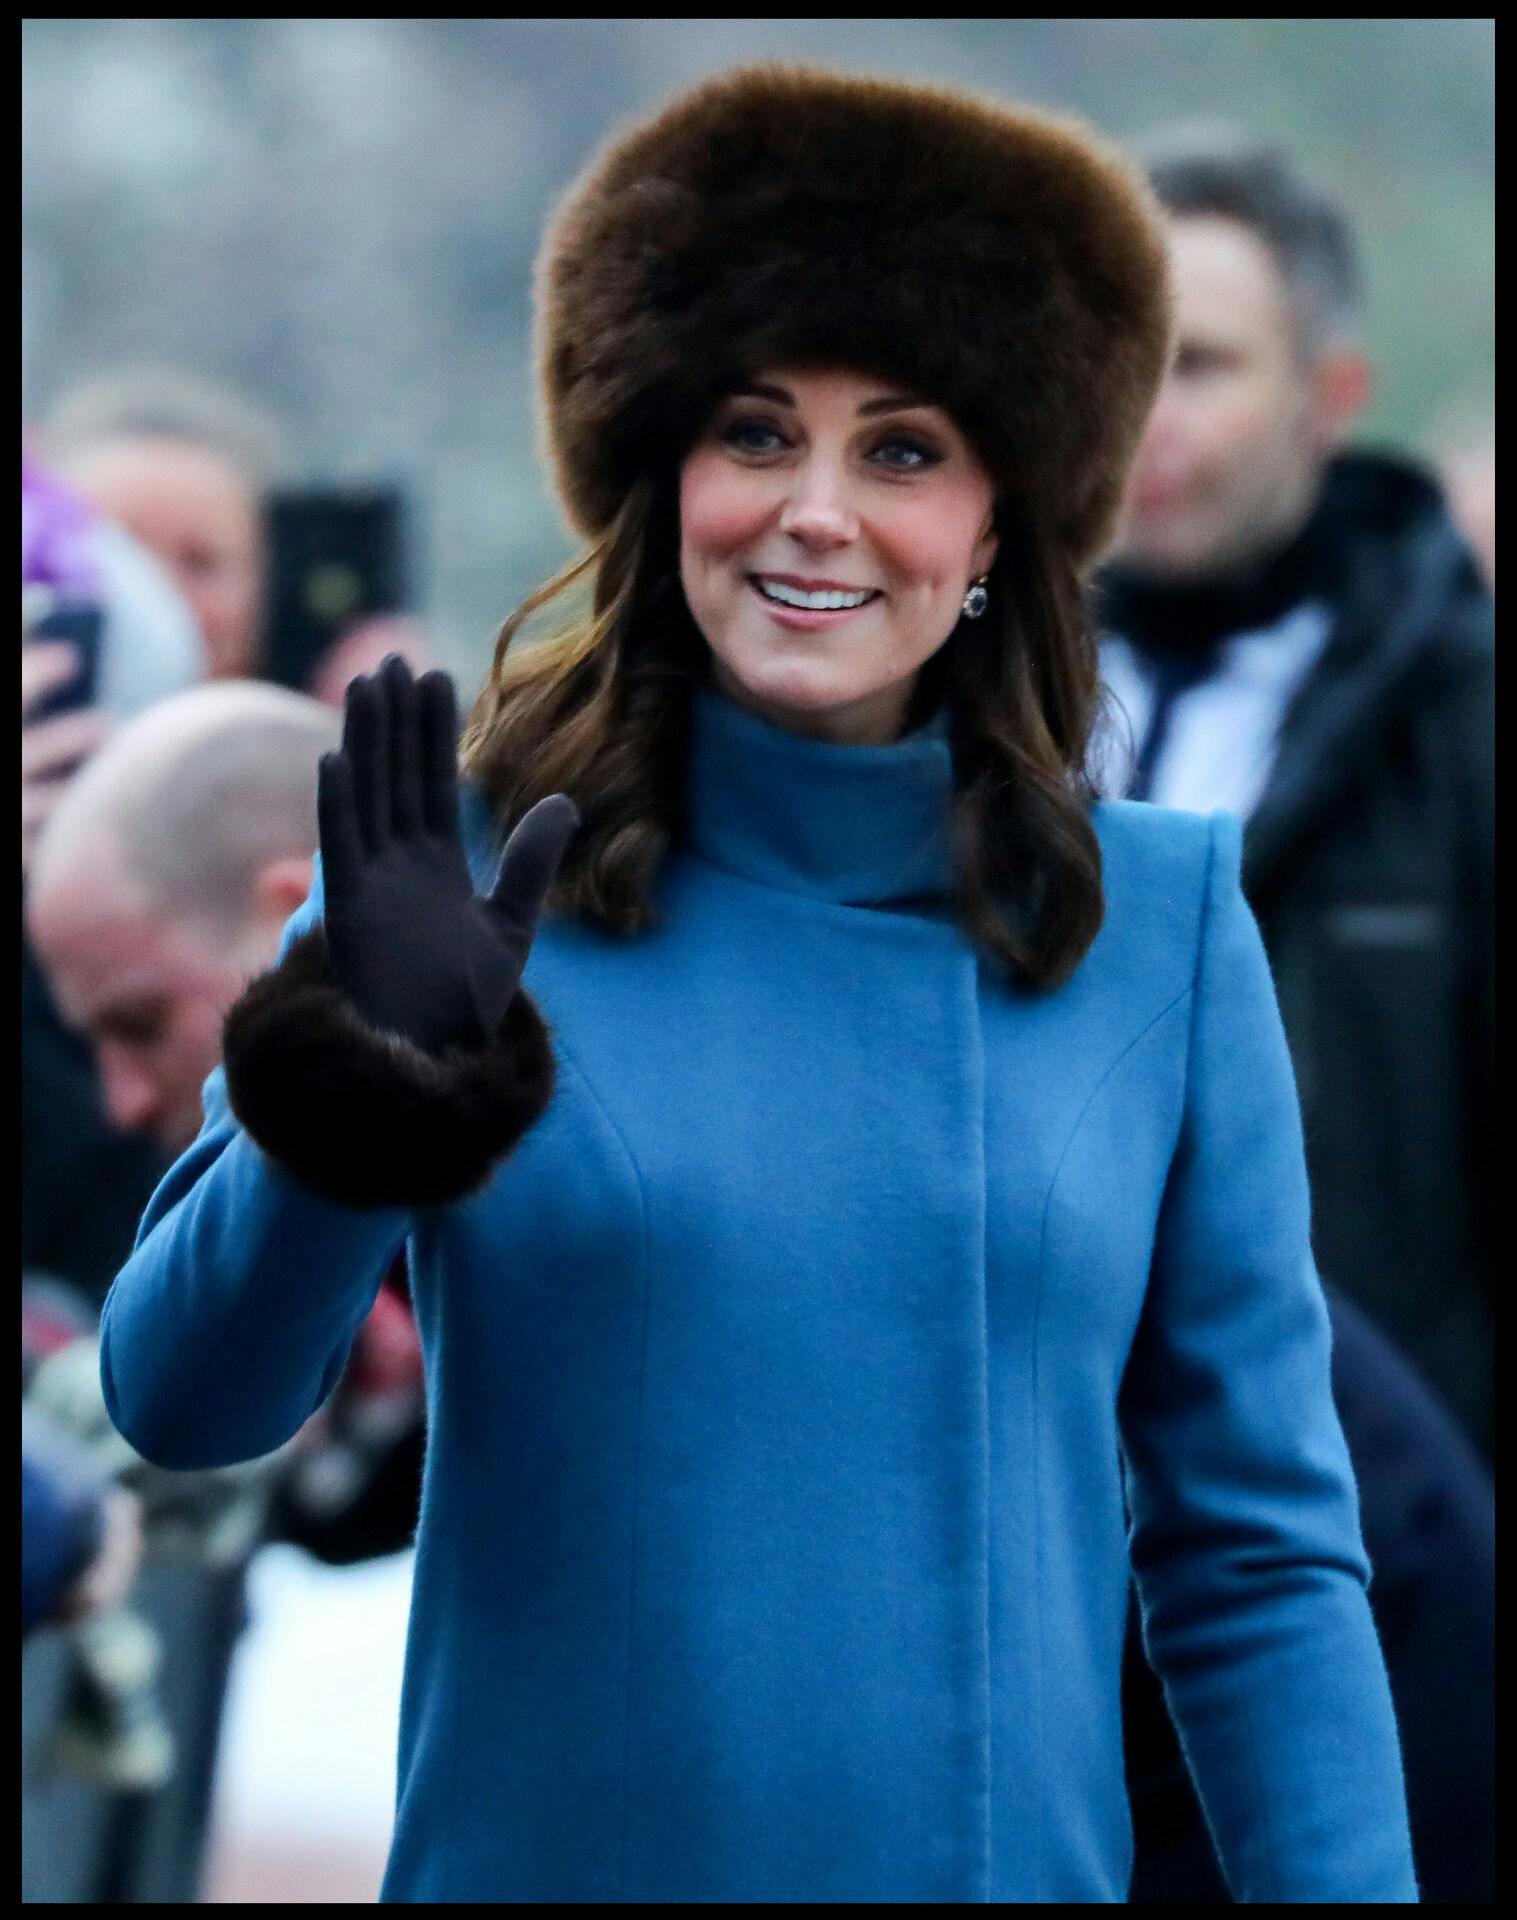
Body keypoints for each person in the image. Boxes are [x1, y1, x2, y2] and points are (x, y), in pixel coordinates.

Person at [98, 67, 1418, 1903]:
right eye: (751, 433)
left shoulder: (1163, 926)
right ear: (661, 475)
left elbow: (1258, 1555)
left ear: (993, 528)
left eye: (900, 448)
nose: (815, 512)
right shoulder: (461, 865)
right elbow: (183, 1403)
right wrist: (359, 1094)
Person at [1093, 127, 1494, 1468]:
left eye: (1196, 365)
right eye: (1107, 352)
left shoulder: (1462, 727)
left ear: (1331, 394)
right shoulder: (953, 706)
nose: (1139, 410)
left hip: (1384, 1536)